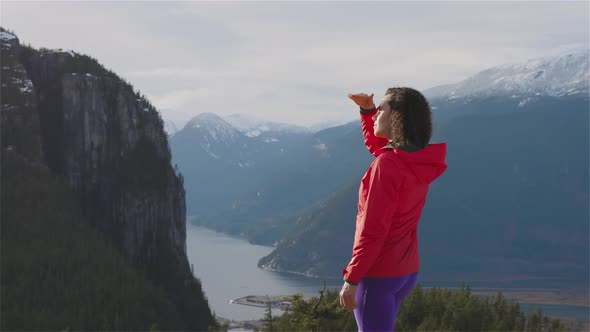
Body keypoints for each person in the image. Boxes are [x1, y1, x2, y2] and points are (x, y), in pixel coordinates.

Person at [339, 88, 448, 332]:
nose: (377, 113)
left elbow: (373, 230)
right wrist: (367, 111)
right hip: (404, 272)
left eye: (381, 110)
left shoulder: (387, 165)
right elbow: (381, 147)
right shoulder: (417, 159)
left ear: (397, 118)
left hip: (378, 273)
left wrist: (352, 277)